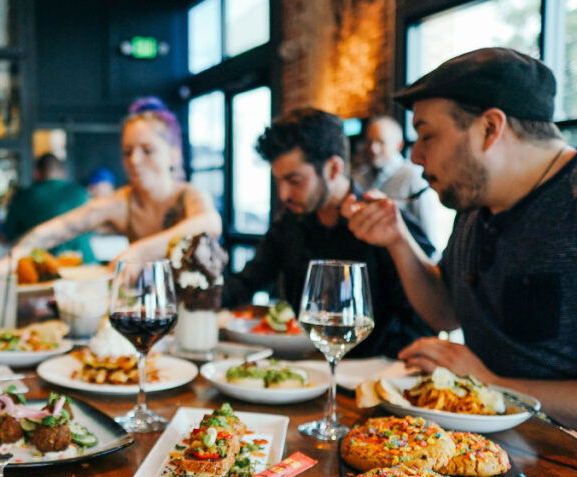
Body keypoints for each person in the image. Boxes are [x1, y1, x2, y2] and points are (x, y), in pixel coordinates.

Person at [343, 47, 577, 425]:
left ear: (489, 128)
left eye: (426, 136)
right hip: (488, 440)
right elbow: (445, 311)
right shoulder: (475, 203)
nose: (416, 156)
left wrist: (491, 383)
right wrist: (398, 240)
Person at [223, 108, 435, 358]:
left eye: (295, 180)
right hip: (304, 370)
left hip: (371, 378)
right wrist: (196, 292)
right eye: (278, 181)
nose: (283, 195)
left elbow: (425, 320)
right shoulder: (289, 224)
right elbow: (246, 282)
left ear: (334, 168)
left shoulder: (385, 223)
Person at [0, 97, 221, 273]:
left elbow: (208, 223)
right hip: (149, 312)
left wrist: (139, 252)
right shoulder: (123, 202)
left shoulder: (189, 195)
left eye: (147, 150)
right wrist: (12, 259)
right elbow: (60, 228)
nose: (134, 160)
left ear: (174, 154)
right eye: (127, 152)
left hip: (197, 315)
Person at [354, 116, 444, 248]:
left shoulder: (412, 176)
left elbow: (427, 232)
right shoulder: (360, 176)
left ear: (399, 145)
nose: (373, 148)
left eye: (381, 142)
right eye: (370, 142)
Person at [3, 152, 95, 262]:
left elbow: (7, 235)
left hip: (44, 267)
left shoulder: (24, 196)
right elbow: (92, 230)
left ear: (36, 173)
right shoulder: (81, 192)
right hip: (86, 265)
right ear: (63, 173)